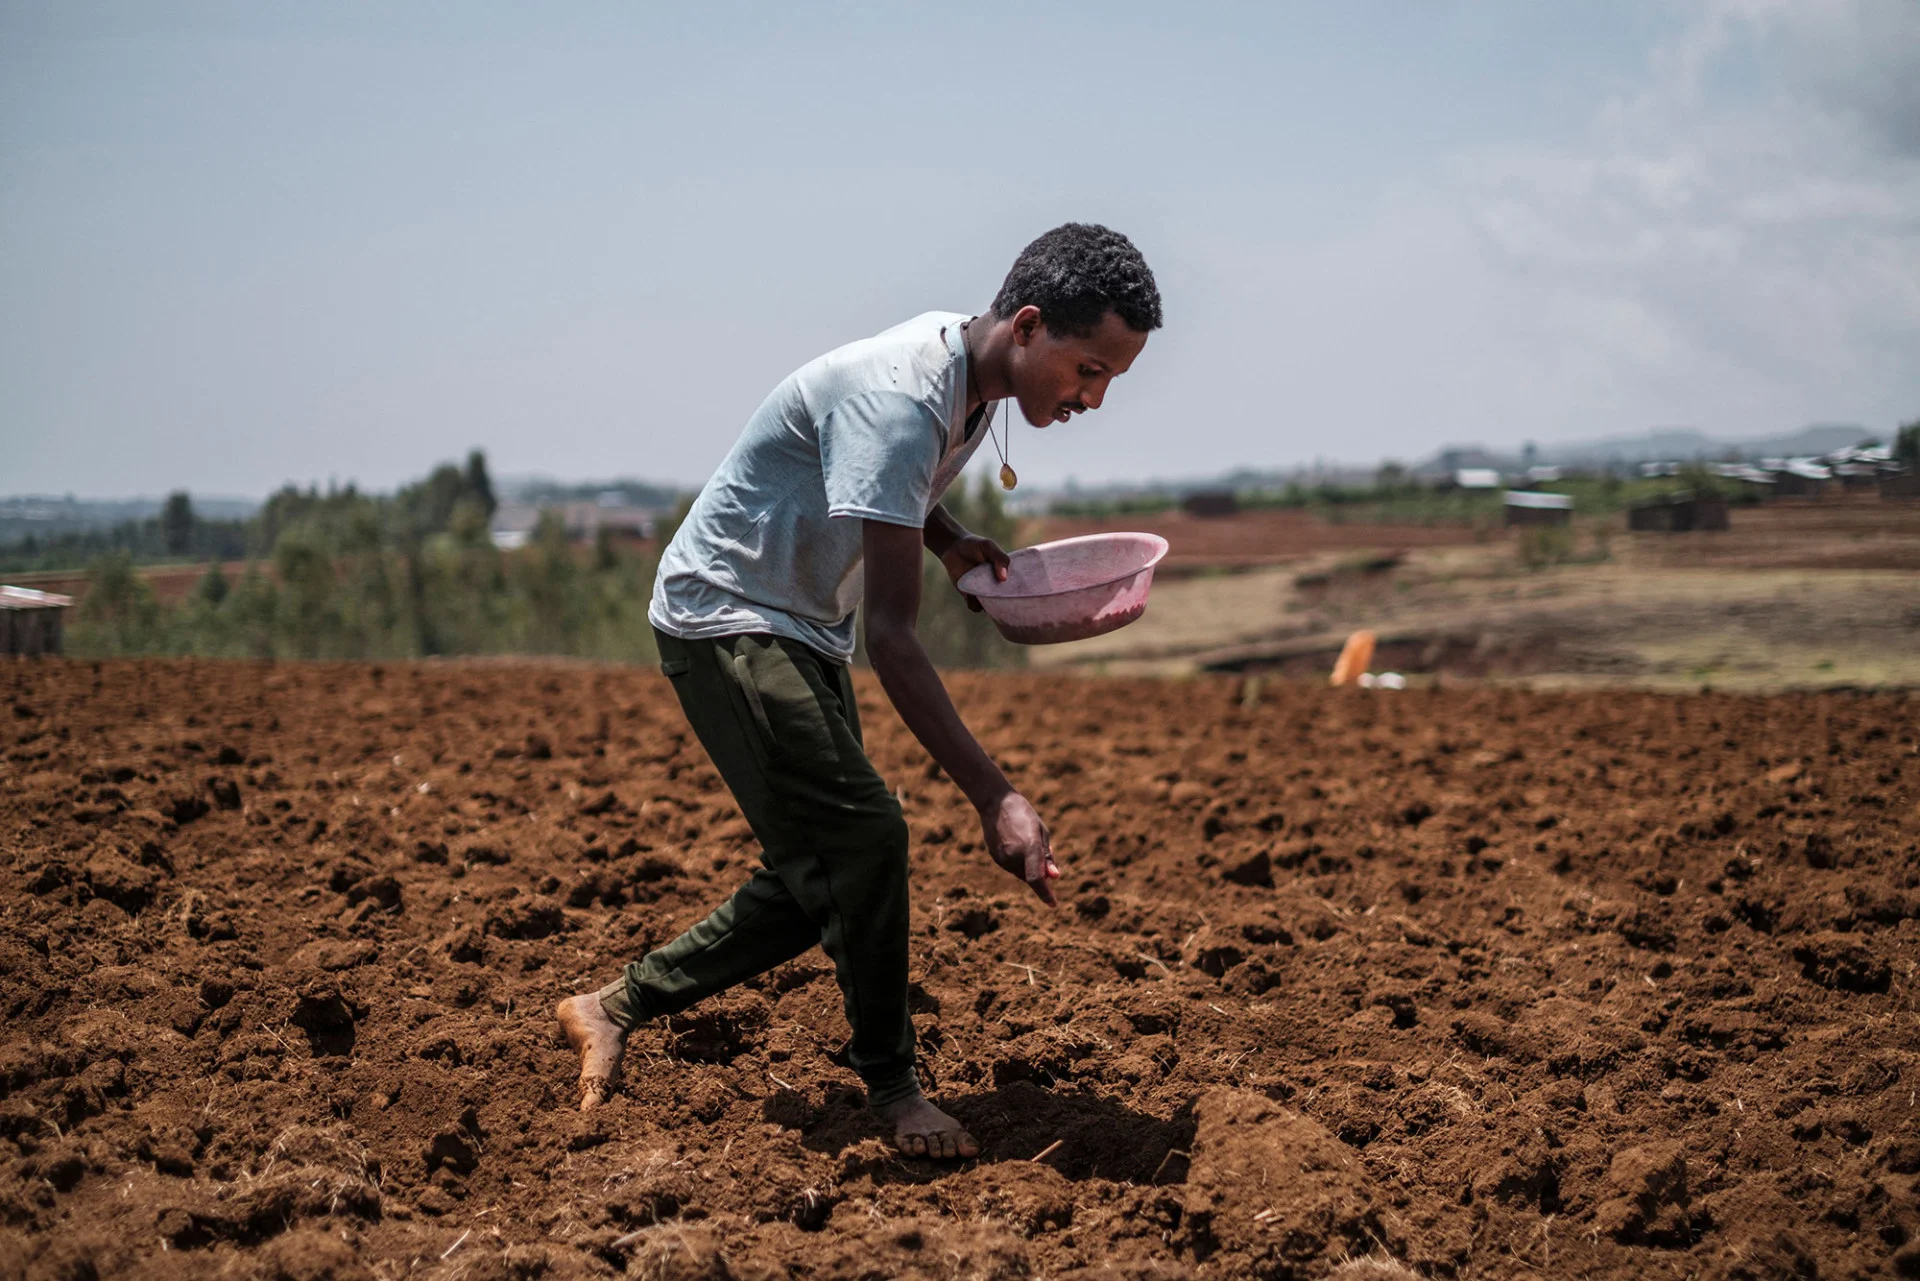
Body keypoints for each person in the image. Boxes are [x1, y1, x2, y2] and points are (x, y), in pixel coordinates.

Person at [556, 223, 1162, 1159]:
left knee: (819, 875)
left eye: (1111, 380)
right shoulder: (905, 397)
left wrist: (948, 533)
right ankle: (893, 1087)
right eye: (1088, 371)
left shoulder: (964, 371)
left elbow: (893, 483)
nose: (1093, 397)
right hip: (728, 616)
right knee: (868, 836)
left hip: (792, 621)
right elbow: (892, 636)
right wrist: (995, 794)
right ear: (1030, 326)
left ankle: (612, 1005)